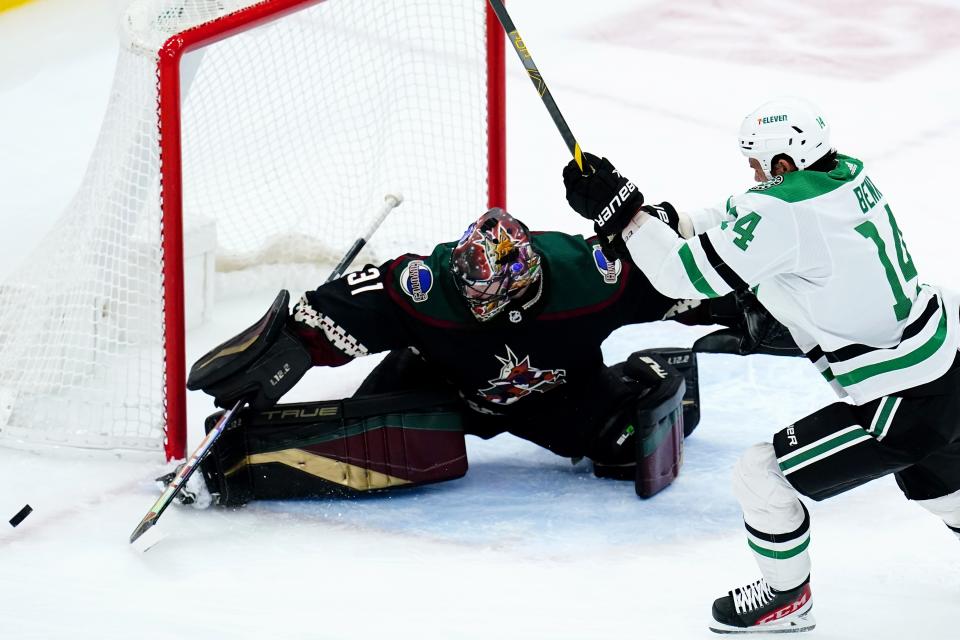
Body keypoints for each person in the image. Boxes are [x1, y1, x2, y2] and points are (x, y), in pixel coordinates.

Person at [560, 97, 960, 634]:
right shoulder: (844, 175)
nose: (752, 173)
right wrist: (655, 216)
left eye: (758, 163)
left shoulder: (786, 213)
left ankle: (786, 599)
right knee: (942, 483)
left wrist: (625, 218)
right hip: (945, 361)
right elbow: (739, 215)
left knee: (761, 474)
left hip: (901, 395)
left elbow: (683, 277)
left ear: (785, 163)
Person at [180, 208, 704, 508]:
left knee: (623, 448)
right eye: (467, 289)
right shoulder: (428, 284)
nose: (472, 302)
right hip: (443, 385)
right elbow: (350, 309)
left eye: (487, 296)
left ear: (522, 284)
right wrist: (289, 347)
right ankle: (231, 463)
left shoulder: (588, 276)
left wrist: (747, 307)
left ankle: (646, 374)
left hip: (556, 395)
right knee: (362, 443)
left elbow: (678, 276)